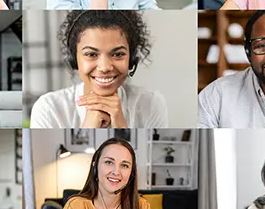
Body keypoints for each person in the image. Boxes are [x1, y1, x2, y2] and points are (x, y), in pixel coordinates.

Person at [30, 10, 168, 128]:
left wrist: (120, 124)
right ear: (74, 59)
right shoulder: (49, 108)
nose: (105, 67)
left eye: (118, 54)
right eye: (91, 54)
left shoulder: (151, 104)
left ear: (131, 59)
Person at [50, 138, 170, 209]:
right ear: (95, 166)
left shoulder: (141, 207)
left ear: (131, 173)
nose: (116, 172)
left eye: (125, 165)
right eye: (109, 162)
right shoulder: (76, 207)